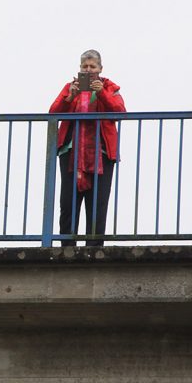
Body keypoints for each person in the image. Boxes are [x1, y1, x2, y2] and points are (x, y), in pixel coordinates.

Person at [48, 49, 126, 246]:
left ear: (100, 69)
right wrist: (69, 97)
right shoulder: (70, 87)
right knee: (68, 202)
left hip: (102, 153)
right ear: (80, 68)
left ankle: (94, 248)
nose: (89, 70)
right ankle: (67, 247)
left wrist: (102, 94)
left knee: (98, 203)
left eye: (93, 66)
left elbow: (120, 112)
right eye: (85, 66)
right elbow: (52, 113)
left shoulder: (110, 88)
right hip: (71, 152)